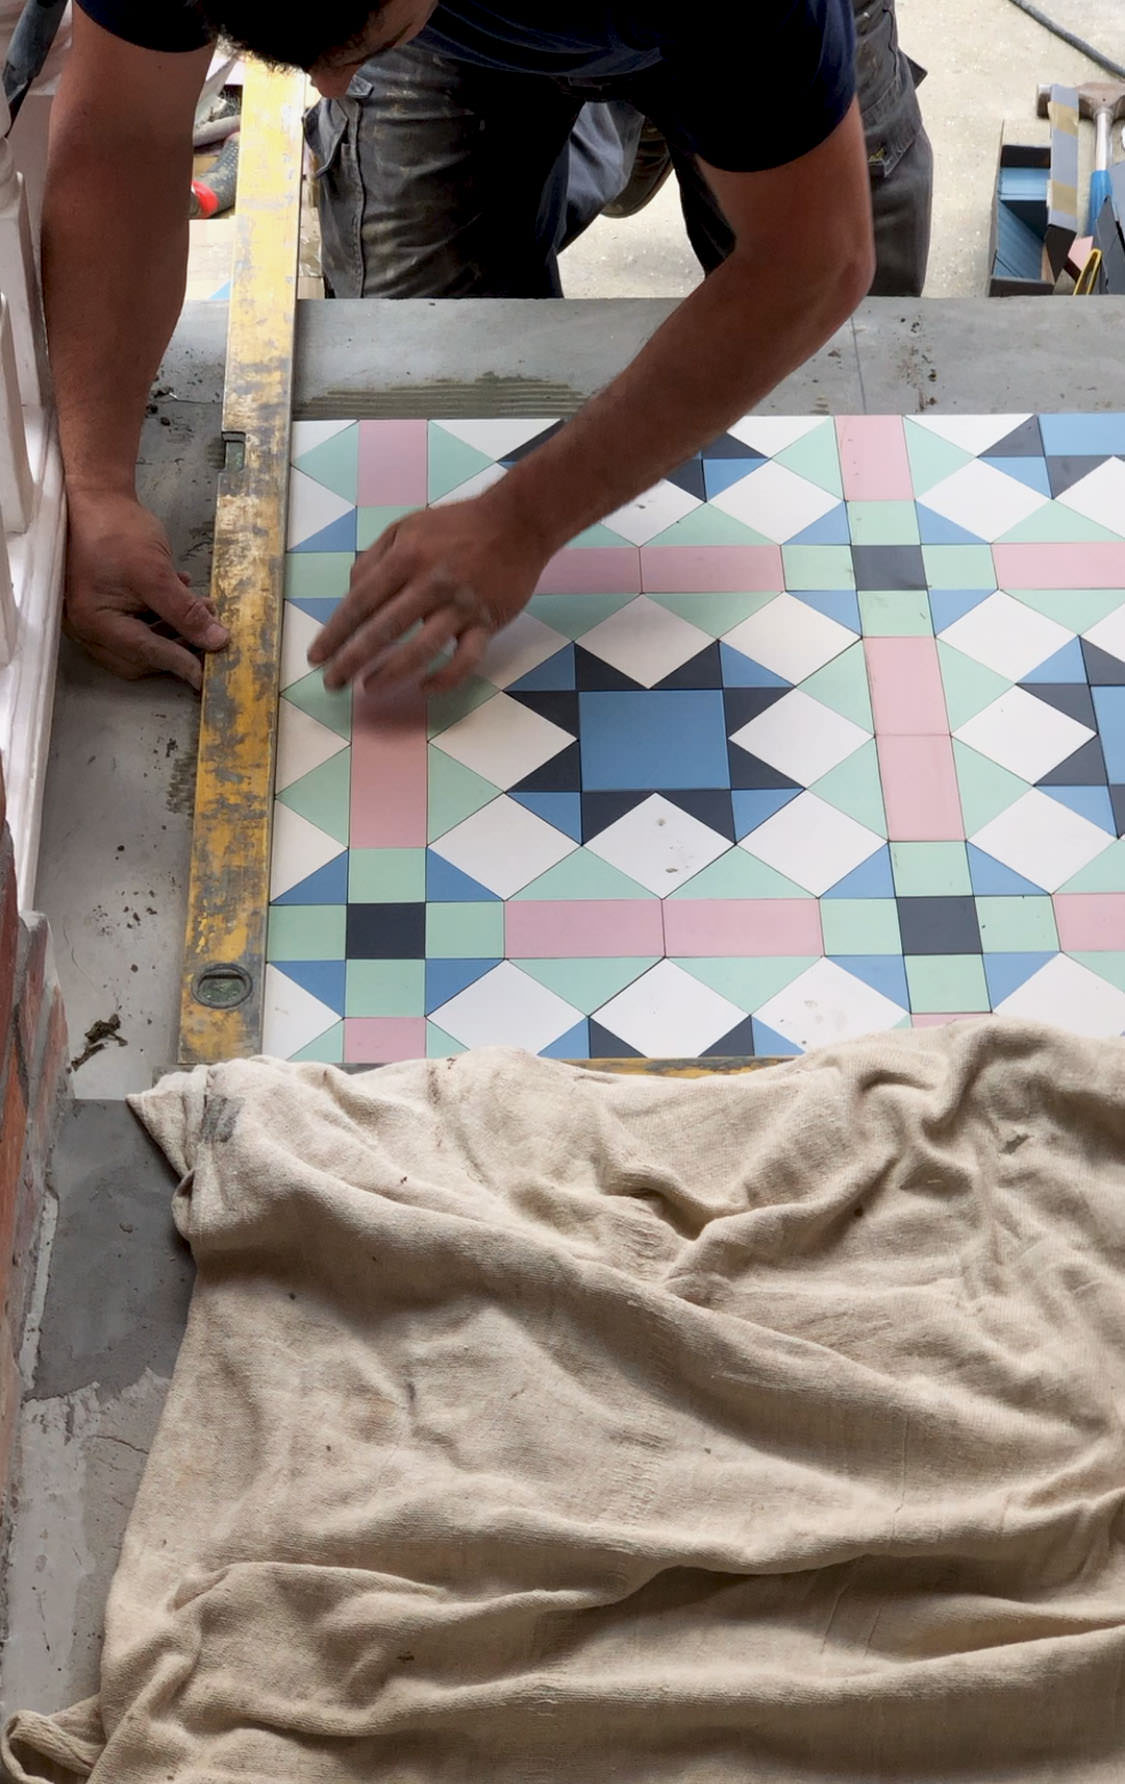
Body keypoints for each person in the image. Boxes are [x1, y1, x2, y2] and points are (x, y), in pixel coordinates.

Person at [46, 0, 928, 696]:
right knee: (425, 370)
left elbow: (816, 259)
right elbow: (121, 139)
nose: (330, 82)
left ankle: (658, 117)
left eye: (355, 40)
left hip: (730, 22)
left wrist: (524, 520)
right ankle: (611, 121)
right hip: (452, 40)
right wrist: (92, 486)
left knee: (853, 374)